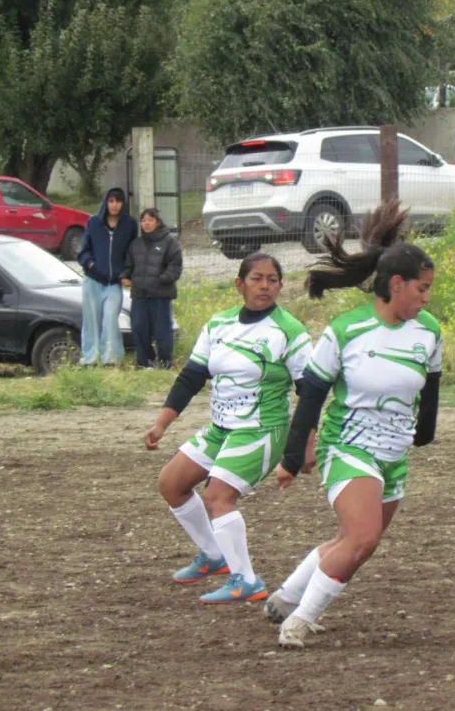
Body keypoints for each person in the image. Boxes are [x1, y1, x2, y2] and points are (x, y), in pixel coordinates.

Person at [265, 200, 442, 649]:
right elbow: (311, 395)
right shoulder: (346, 331)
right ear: (396, 285)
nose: (426, 298)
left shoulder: (429, 332)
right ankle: (299, 622)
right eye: (422, 289)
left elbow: (431, 388)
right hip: (347, 445)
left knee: (354, 541)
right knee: (362, 537)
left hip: (393, 454)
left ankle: (285, 598)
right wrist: (293, 454)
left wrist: (424, 434)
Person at [147, 252, 312, 604]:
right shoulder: (218, 325)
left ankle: (246, 580)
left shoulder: (290, 332)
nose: (265, 285)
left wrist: (305, 447)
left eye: (272, 279)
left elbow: (309, 392)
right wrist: (162, 423)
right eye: (257, 278)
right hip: (222, 427)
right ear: (240, 284)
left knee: (218, 497)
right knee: (171, 484)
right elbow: (191, 376)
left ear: (281, 286)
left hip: (262, 429)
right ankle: (214, 556)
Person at [77, 187, 138, 366]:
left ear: (123, 204)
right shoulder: (94, 222)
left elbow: (131, 252)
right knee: (92, 321)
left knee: (111, 319)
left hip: (114, 283)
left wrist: (126, 273)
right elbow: (83, 251)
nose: (114, 205)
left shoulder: (129, 224)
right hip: (93, 281)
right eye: (111, 201)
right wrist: (91, 264)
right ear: (106, 202)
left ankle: (111, 359)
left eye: (118, 201)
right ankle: (90, 358)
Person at [121, 208, 183, 369]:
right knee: (139, 329)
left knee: (162, 330)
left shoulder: (169, 241)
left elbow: (175, 266)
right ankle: (144, 362)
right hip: (139, 295)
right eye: (143, 220)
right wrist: (124, 276)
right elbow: (128, 265)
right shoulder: (136, 244)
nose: (146, 223)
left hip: (160, 295)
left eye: (150, 220)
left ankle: (165, 363)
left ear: (157, 221)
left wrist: (162, 279)